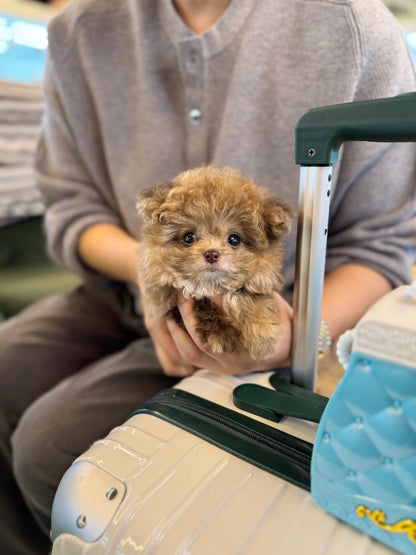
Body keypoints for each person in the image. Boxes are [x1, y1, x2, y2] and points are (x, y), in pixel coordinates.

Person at [1, 0, 415, 552]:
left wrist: (298, 338)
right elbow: (73, 209)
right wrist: (154, 272)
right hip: (122, 281)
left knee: (51, 449)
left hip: (265, 311)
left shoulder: (354, 30)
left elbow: (381, 245)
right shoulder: (78, 31)